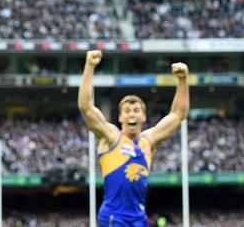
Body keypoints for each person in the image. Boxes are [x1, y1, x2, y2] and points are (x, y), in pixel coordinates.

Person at [77, 50, 189, 227]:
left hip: (138, 218)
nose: (132, 114)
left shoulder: (148, 141)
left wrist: (183, 80)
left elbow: (178, 114)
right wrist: (89, 66)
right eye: (127, 111)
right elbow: (86, 107)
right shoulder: (111, 137)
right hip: (114, 218)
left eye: (136, 110)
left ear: (143, 116)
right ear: (120, 117)